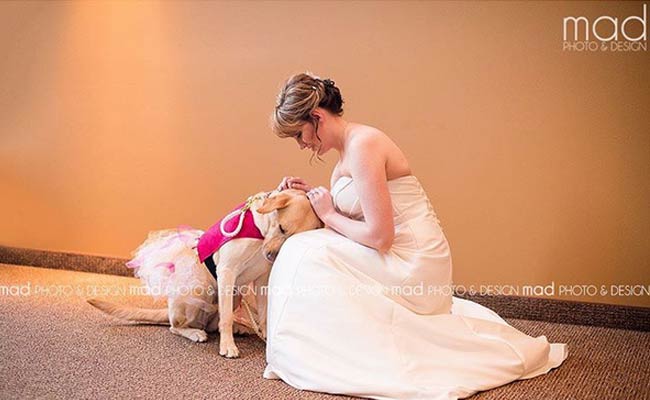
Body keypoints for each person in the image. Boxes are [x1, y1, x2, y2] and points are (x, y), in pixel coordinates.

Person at [262, 72, 568, 400]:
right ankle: (322, 351)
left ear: (317, 117)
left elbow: (380, 237)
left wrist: (329, 213)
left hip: (414, 261)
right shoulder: (345, 156)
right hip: (392, 253)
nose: (302, 144)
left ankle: (325, 354)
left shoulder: (365, 144)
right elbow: (352, 218)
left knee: (307, 253)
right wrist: (309, 198)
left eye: (299, 134)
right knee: (302, 248)